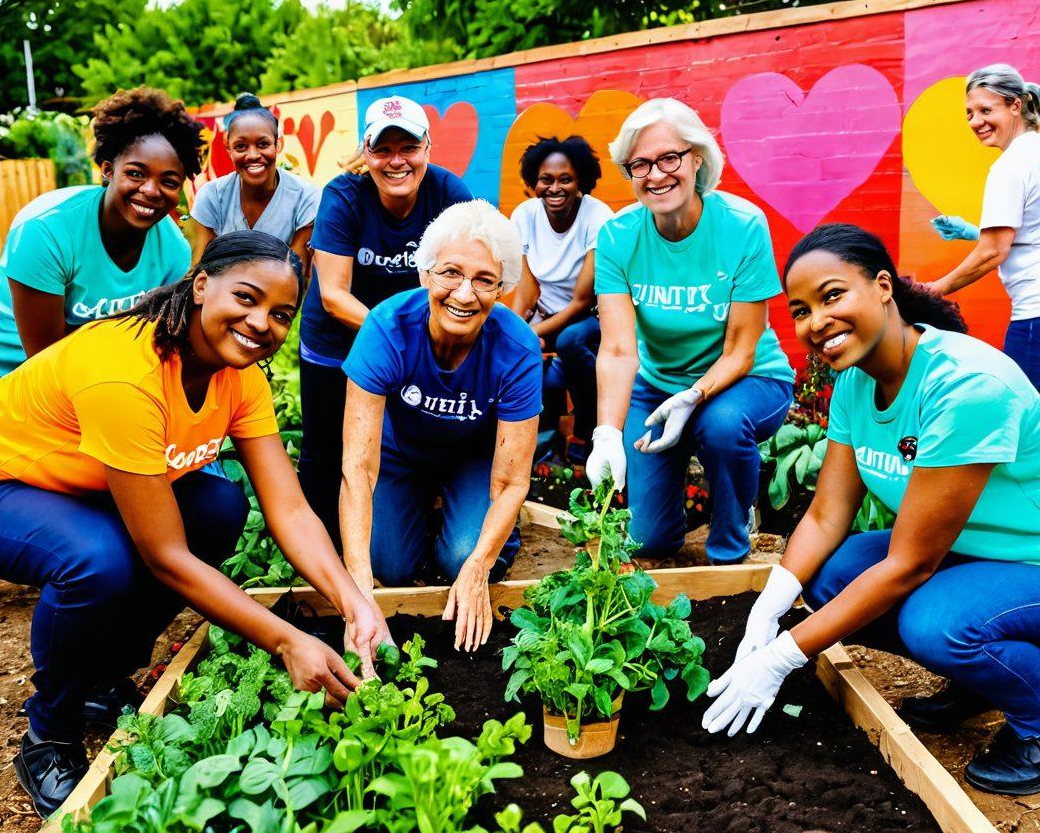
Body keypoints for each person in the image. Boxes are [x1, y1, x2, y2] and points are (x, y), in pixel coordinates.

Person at [0, 232, 390, 816]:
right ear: (202, 284)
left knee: (218, 507)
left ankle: (104, 679)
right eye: (247, 297)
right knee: (98, 561)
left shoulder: (239, 377)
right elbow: (164, 555)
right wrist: (288, 641)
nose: (262, 322)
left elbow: (287, 507)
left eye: (281, 314)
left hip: (77, 485)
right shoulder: (124, 371)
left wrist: (352, 600)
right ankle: (49, 735)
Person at [702, 222, 1040, 797]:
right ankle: (984, 682)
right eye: (799, 310)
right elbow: (825, 515)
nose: (816, 322)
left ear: (884, 287)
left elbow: (911, 565)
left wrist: (780, 660)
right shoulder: (857, 382)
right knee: (833, 572)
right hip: (987, 555)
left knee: (937, 623)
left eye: (832, 295)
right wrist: (770, 605)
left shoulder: (964, 386)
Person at [0, 88, 203, 609]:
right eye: (136, 172)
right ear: (107, 167)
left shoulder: (173, 251)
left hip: (87, 377)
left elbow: (155, 344)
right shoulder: (48, 230)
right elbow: (45, 357)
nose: (151, 190)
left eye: (169, 181)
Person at [586, 98, 794, 563]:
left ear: (696, 158)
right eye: (640, 164)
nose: (656, 174)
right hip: (657, 385)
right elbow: (619, 349)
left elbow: (741, 349)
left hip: (747, 379)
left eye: (668, 158)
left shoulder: (741, 226)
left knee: (720, 426)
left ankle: (732, 537)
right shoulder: (618, 236)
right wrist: (606, 433)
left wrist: (694, 396)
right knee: (650, 541)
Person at [339, 200, 540, 653]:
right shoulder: (387, 328)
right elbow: (358, 468)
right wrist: (360, 597)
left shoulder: (517, 349)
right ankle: (423, 509)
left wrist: (478, 566)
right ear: (425, 273)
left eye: (485, 280)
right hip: (399, 453)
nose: (465, 294)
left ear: (502, 287)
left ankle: (478, 530)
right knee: (386, 564)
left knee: (459, 559)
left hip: (472, 458)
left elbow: (511, 481)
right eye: (450, 272)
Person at [298, 95, 472, 542]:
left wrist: (425, 339)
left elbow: (466, 275)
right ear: (367, 153)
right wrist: (406, 337)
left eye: (409, 147)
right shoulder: (343, 196)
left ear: (428, 148)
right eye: (383, 149)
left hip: (409, 340)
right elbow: (334, 295)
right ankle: (318, 544)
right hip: (337, 341)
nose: (397, 161)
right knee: (327, 447)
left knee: (399, 437)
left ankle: (403, 523)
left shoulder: (449, 195)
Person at [926, 64, 1040, 483]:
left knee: (1037, 435)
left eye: (985, 110)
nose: (976, 122)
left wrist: (933, 291)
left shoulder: (1009, 167)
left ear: (1014, 104)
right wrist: (974, 230)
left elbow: (993, 252)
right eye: (969, 113)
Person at [509, 136, 612, 462]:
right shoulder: (524, 216)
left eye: (565, 179)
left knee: (569, 342)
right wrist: (514, 329)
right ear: (533, 182)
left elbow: (582, 301)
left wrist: (530, 333)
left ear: (580, 180)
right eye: (546, 179)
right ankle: (543, 446)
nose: (555, 188)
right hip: (549, 313)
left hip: (594, 317)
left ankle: (587, 430)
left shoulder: (597, 217)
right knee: (517, 349)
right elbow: (527, 289)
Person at [188, 92, 319, 273]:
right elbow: (199, 269)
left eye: (263, 144)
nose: (253, 155)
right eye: (241, 146)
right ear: (229, 149)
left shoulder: (305, 196)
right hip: (222, 298)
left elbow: (296, 273)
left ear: (278, 144)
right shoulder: (212, 196)